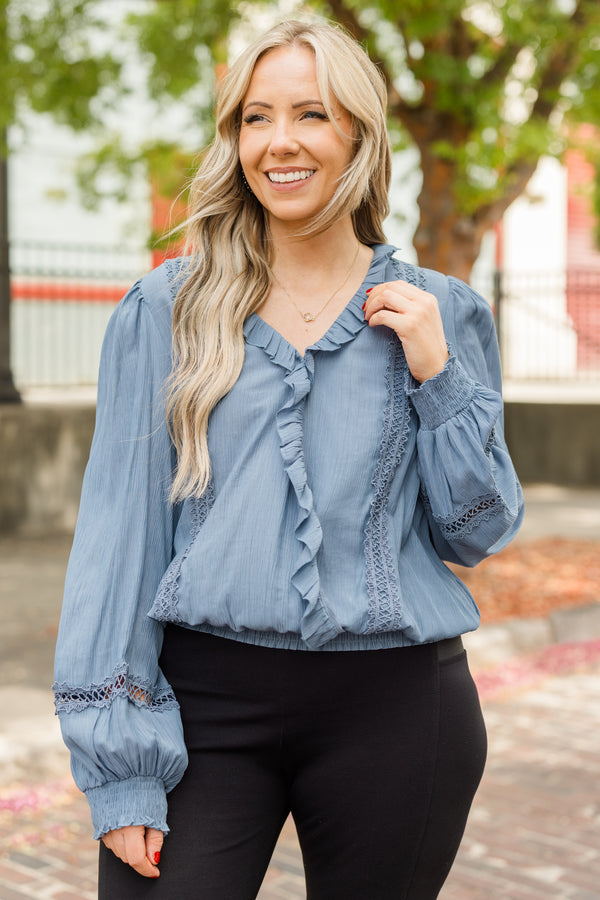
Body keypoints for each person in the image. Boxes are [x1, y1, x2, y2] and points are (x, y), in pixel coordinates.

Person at [53, 18, 524, 900]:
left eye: (310, 113)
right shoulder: (166, 311)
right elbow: (118, 542)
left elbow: (474, 531)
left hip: (398, 709)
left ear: (359, 133)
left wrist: (437, 376)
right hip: (203, 704)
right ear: (233, 141)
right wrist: (119, 762)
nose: (279, 143)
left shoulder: (442, 314)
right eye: (254, 118)